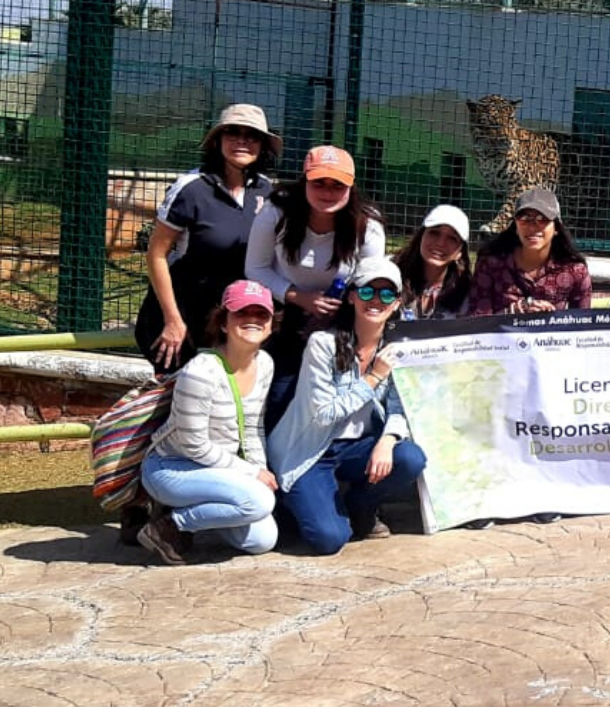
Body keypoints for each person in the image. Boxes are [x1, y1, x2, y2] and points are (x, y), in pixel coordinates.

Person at [267, 258, 427, 554]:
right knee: (329, 540)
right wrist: (373, 377)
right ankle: (294, 502)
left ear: (396, 303)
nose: (376, 300)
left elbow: (400, 407)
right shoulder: (322, 344)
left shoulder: (395, 349)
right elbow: (324, 413)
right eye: (367, 292)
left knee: (409, 458)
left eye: (386, 294)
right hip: (311, 450)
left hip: (358, 447)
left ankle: (361, 504)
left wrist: (388, 441)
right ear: (352, 296)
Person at [136, 280, 279, 565]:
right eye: (241, 313)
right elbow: (193, 444)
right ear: (224, 323)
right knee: (259, 501)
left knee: (262, 540)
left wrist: (260, 469)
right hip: (173, 467)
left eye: (261, 314)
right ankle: (170, 525)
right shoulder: (201, 372)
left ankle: (193, 518)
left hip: (218, 469)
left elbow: (252, 427)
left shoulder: (264, 363)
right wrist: (251, 474)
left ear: (271, 324)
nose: (252, 319)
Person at [245, 145, 386, 427]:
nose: (327, 192)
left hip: (342, 316)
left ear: (351, 187)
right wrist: (299, 297)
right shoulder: (277, 212)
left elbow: (370, 280)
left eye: (338, 185)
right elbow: (255, 268)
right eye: (319, 182)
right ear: (304, 181)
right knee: (280, 394)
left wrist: (337, 314)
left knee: (328, 399)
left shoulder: (367, 226)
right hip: (286, 314)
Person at [136, 104, 279, 375]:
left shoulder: (266, 190)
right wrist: (172, 320)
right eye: (232, 133)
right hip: (184, 316)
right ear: (217, 141)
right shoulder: (192, 188)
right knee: (178, 403)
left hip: (232, 317)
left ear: (263, 145)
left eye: (251, 136)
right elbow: (156, 254)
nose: (241, 141)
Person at [468, 188, 592, 315]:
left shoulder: (575, 271)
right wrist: (511, 312)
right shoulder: (491, 264)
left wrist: (553, 319)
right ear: (515, 226)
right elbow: (476, 323)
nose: (532, 227)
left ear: (556, 228)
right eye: (524, 218)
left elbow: (583, 324)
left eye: (542, 219)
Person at [389, 204, 473, 323]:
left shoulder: (466, 294)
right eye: (434, 233)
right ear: (421, 236)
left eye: (452, 238)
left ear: (460, 253)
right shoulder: (388, 273)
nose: (440, 243)